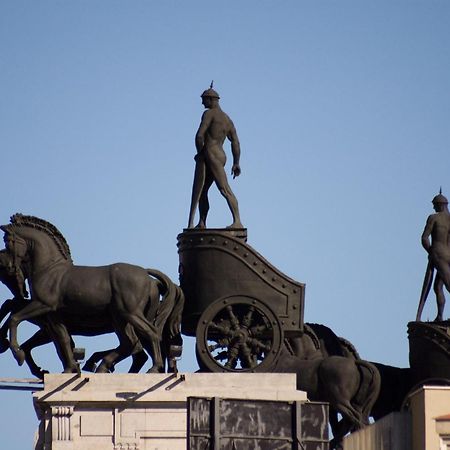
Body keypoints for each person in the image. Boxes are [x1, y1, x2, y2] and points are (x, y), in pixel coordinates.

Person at [187, 84, 243, 229]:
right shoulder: (227, 119)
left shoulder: (209, 114)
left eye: (204, 99)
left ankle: (237, 221)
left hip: (210, 152)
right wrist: (236, 162)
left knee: (224, 188)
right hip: (221, 154)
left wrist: (200, 153)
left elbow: (199, 136)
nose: (202, 103)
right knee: (203, 190)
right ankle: (202, 222)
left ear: (212, 100)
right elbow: (235, 141)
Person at [420, 190, 450, 321]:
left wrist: (431, 251)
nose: (433, 207)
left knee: (448, 284)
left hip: (438, 253)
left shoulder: (434, 218)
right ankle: (439, 316)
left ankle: (440, 315)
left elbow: (424, 238)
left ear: (439, 205)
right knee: (438, 286)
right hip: (448, 254)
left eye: (434, 205)